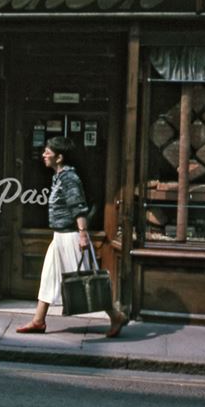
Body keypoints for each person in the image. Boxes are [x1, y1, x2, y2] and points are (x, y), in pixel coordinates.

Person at [16, 136, 128, 337]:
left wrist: (83, 235)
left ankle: (115, 315)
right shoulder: (58, 176)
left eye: (47, 153)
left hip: (71, 236)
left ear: (59, 158)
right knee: (48, 277)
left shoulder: (69, 178)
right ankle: (38, 321)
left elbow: (78, 207)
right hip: (59, 236)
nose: (43, 155)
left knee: (88, 280)